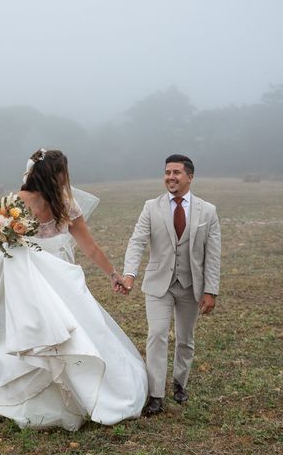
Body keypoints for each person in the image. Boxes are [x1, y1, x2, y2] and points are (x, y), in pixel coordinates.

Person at [0, 149, 147, 431]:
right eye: (62, 173)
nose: (66, 178)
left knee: (69, 330)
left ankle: (77, 395)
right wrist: (3, 232)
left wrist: (113, 274)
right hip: (27, 279)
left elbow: (89, 245)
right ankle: (33, 396)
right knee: (36, 330)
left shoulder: (63, 204)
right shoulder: (22, 201)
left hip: (56, 276)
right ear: (52, 174)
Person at [120, 154, 221, 416]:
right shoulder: (150, 207)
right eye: (167, 172)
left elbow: (213, 254)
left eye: (176, 172)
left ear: (190, 176)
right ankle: (156, 395)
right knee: (157, 335)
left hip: (191, 286)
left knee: (185, 339)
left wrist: (210, 290)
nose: (170, 177)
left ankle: (180, 383)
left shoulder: (207, 211)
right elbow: (137, 241)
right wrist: (129, 273)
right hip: (158, 285)